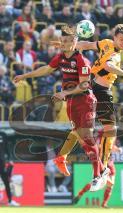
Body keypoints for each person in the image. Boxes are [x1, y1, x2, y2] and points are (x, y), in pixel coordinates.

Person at [13, 24, 108, 192]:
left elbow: (85, 85)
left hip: (85, 101)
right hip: (71, 103)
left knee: (86, 136)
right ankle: (101, 169)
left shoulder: (81, 61)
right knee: (81, 139)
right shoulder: (61, 57)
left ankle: (97, 175)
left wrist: (64, 92)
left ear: (75, 42)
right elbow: (46, 69)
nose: (63, 44)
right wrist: (24, 75)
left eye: (67, 41)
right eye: (62, 40)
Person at [51, 24, 123, 172]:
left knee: (81, 128)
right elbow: (109, 65)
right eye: (121, 39)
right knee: (110, 128)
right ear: (115, 38)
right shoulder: (115, 54)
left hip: (91, 85)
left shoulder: (106, 43)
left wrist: (70, 46)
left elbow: (87, 44)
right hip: (100, 89)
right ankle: (103, 167)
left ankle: (62, 156)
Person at [0, 133, 20, 206]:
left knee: (6, 182)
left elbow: (7, 148)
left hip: (2, 162)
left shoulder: (3, 135)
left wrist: (10, 158)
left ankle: (10, 201)